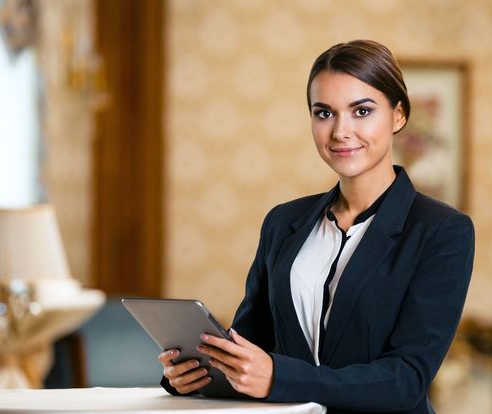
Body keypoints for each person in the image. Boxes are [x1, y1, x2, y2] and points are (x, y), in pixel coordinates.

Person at [158, 39, 475, 414]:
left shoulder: (442, 231)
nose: (340, 131)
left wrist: (279, 378)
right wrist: (196, 372)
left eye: (362, 111)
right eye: (324, 113)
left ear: (399, 115)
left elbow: (405, 380)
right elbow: (252, 342)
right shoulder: (283, 222)